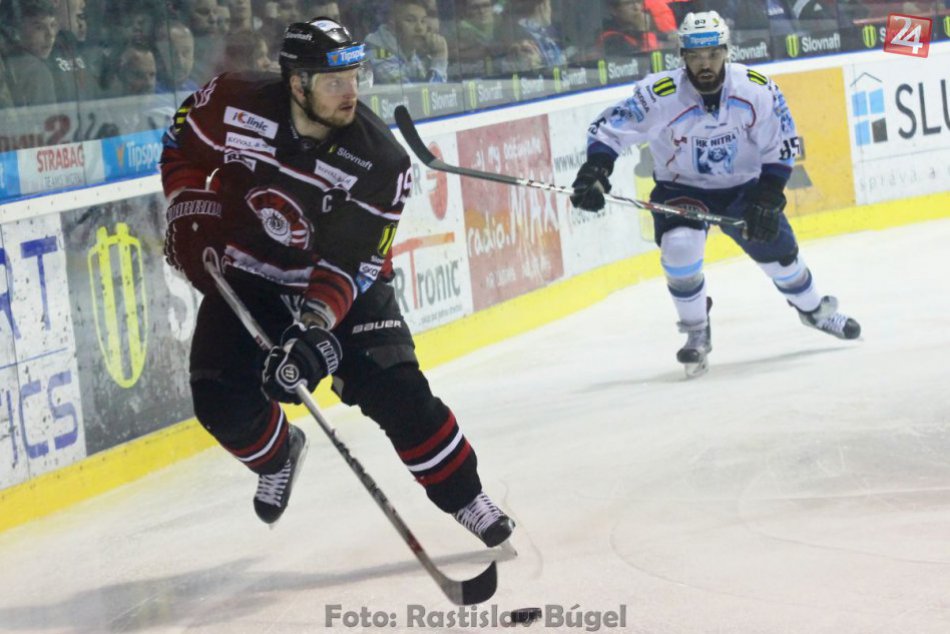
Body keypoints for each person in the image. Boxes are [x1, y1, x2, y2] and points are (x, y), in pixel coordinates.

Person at [159, 17, 515, 547]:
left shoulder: (381, 160)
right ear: (297, 83)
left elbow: (350, 263)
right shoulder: (231, 101)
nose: (350, 92)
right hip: (250, 269)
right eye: (334, 81)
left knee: (395, 390)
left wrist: (312, 330)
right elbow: (180, 145)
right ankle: (279, 454)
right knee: (218, 400)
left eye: (354, 77)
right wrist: (188, 206)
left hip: (338, 281)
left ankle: (467, 498)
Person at [570, 11, 860, 378]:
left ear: (726, 52)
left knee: (782, 260)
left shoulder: (756, 90)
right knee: (679, 248)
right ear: (683, 56)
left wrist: (769, 197)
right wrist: (595, 172)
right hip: (681, 187)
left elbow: (781, 145)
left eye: (712, 54)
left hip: (745, 188)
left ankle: (814, 310)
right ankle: (696, 331)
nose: (704, 64)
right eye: (695, 56)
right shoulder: (659, 95)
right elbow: (610, 130)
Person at [364, 0, 449, 83]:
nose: (420, 28)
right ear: (392, 25)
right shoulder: (378, 55)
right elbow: (418, 92)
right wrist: (439, 59)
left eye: (423, 21)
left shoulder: (409, 54)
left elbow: (425, 88)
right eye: (410, 20)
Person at [595, 0, 659, 58]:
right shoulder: (611, 39)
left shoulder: (635, 31)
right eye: (629, 3)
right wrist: (644, 31)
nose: (636, 8)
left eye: (639, 2)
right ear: (614, 10)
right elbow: (645, 59)